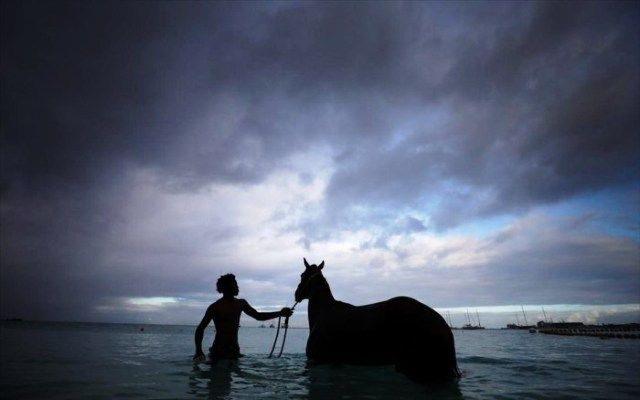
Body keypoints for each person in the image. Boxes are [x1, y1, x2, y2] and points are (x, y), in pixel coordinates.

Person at [193, 273, 293, 361]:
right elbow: (200, 328)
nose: (237, 287)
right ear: (226, 287)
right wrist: (198, 350)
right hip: (218, 353)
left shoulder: (241, 303)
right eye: (235, 284)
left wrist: (280, 313)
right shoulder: (215, 307)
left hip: (235, 352)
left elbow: (258, 316)